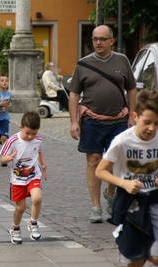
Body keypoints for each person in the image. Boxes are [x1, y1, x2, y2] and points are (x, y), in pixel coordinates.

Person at [68, 25, 137, 223]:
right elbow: (74, 94)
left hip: (119, 119)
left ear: (111, 41)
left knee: (115, 161)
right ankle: (95, 206)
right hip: (92, 119)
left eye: (102, 39)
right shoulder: (83, 63)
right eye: (95, 39)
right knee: (94, 160)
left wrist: (132, 116)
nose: (98, 42)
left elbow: (132, 89)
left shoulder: (122, 61)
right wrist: (74, 122)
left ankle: (111, 193)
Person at [96, 90, 158, 267]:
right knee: (136, 258)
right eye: (147, 122)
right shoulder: (122, 141)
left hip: (154, 199)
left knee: (155, 256)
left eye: (157, 123)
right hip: (131, 203)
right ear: (135, 116)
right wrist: (124, 183)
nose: (152, 128)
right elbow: (100, 171)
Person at [0, 111, 47, 244]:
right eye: (28, 133)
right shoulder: (13, 141)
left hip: (33, 175)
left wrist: (43, 164)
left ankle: (33, 223)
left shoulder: (38, 140)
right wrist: (8, 158)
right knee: (21, 208)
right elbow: (2, 159)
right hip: (17, 179)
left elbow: (39, 152)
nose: (30, 136)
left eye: (34, 133)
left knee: (37, 198)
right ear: (20, 127)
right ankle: (15, 228)